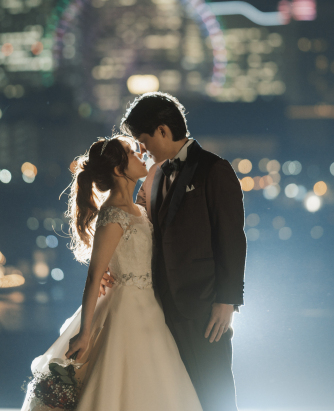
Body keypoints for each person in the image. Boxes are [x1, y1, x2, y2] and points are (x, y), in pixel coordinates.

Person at [21, 135, 202, 411]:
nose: (140, 154)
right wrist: (84, 333)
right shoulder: (112, 215)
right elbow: (95, 275)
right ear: (119, 170)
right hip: (123, 310)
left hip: (150, 307)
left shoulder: (139, 210)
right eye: (131, 152)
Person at [121, 91, 247, 411]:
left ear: (163, 130)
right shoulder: (154, 176)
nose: (143, 150)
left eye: (144, 141)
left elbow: (231, 238)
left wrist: (227, 300)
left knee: (214, 392)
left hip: (205, 305)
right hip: (162, 305)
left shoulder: (214, 169)